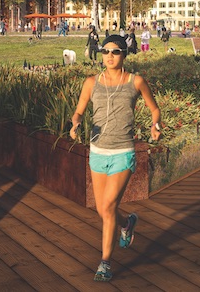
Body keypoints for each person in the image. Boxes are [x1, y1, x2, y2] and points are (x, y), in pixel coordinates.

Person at [69, 34, 162, 283]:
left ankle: (105, 263)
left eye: (116, 52)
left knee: (108, 206)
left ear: (124, 54)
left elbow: (154, 108)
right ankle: (127, 224)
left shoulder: (136, 81)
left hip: (122, 151)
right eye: (106, 51)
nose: (109, 56)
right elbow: (79, 110)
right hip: (98, 152)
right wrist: (76, 123)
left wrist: (155, 124)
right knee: (103, 210)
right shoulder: (91, 82)